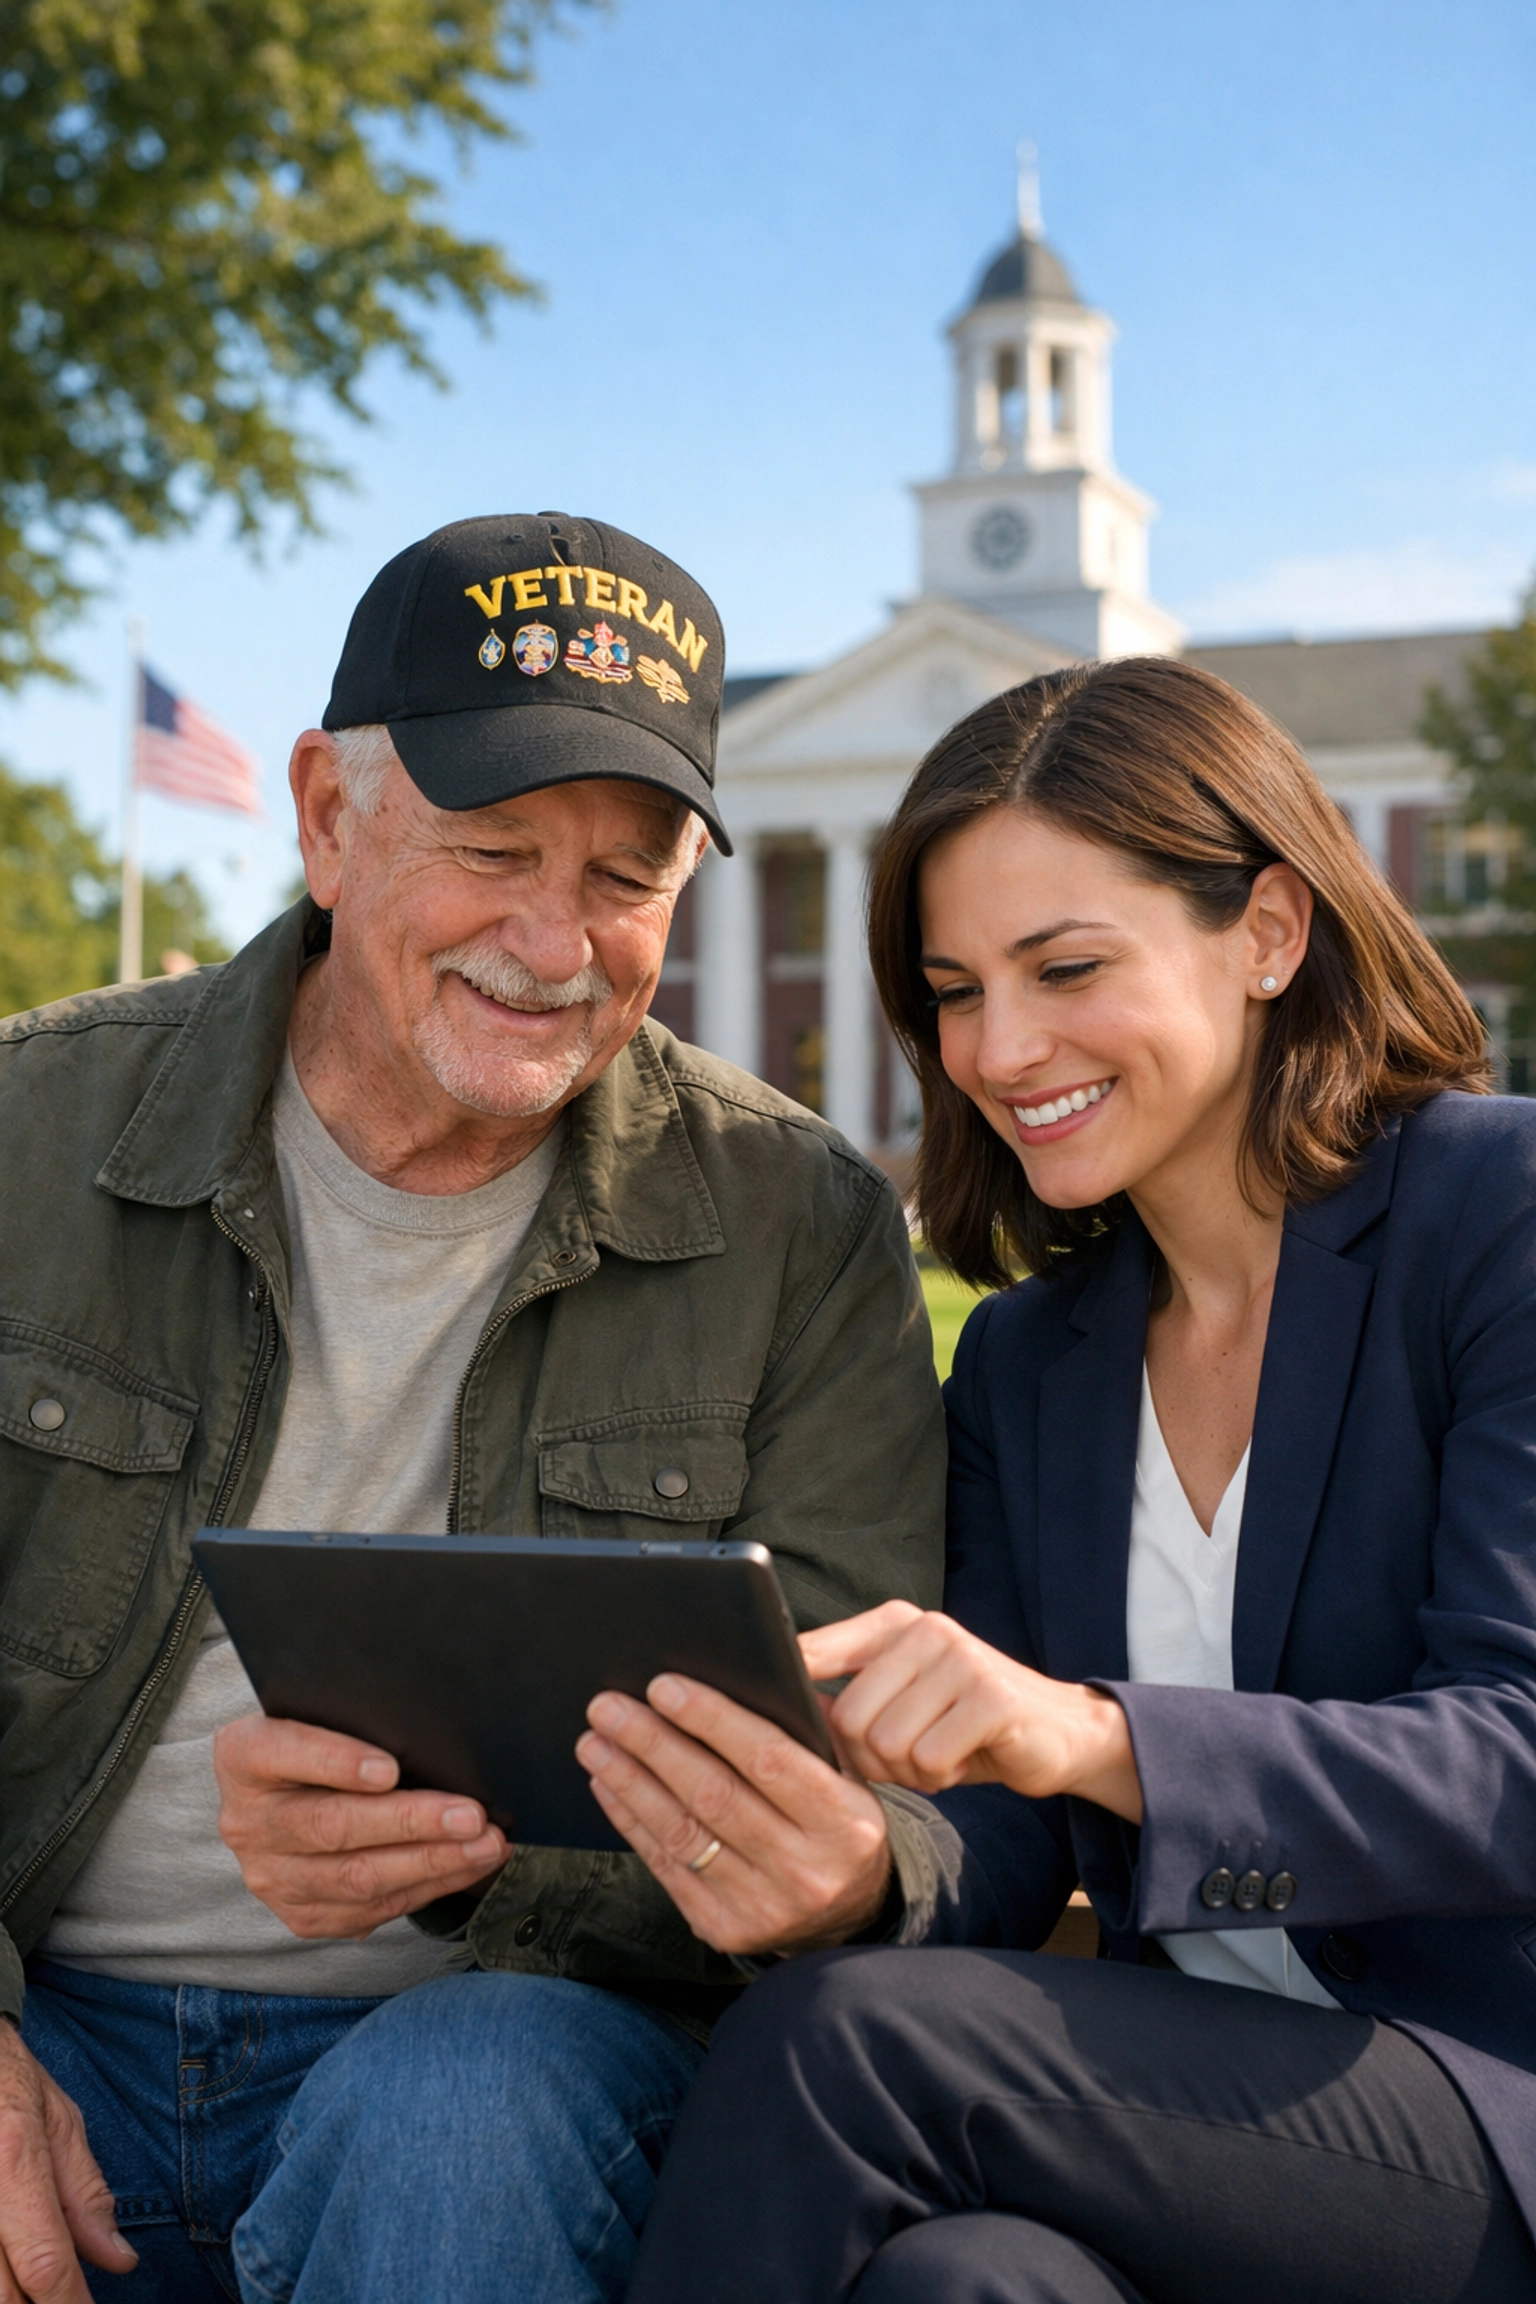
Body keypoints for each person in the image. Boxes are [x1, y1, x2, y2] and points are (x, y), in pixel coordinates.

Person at [0, 512, 945, 2304]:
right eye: (492, 845)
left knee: (464, 2108)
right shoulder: (26, 1131)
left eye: (627, 875)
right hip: (48, 2016)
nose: (552, 938)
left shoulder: (798, 1226)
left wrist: (477, 1873)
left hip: (507, 2053)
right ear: (326, 820)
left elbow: (867, 1794)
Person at [582, 659, 1536, 2304]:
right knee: (957, 2283)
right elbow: (1012, 1843)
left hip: (1487, 2109)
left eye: (1066, 966)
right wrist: (863, 1864)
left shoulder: (1496, 1215)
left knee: (848, 2052)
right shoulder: (1029, 1364)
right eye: (954, 991)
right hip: (1189, 2127)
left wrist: (1089, 1731)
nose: (999, 1049)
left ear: (1268, 935)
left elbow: (1516, 1756)